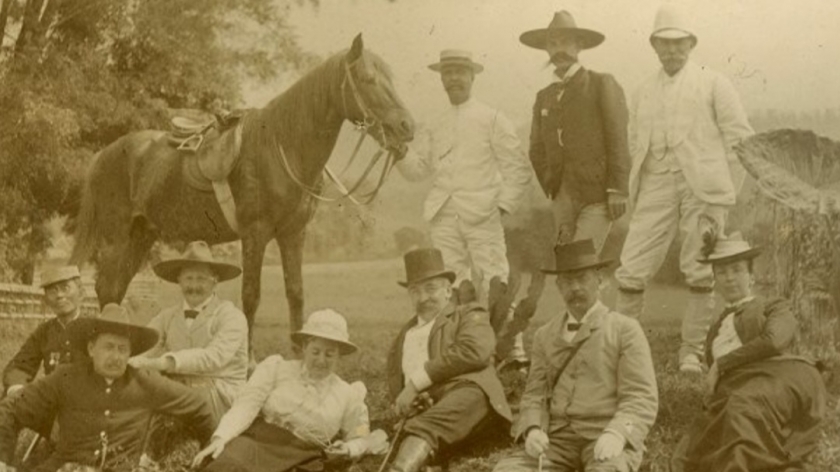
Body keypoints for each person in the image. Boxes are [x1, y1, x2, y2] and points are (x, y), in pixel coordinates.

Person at [613, 4, 754, 373]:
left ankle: (691, 351)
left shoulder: (714, 83)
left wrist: (724, 190)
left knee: (700, 267)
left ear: (692, 44)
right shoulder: (642, 90)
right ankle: (622, 348)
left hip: (704, 189)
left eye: (679, 43)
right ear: (654, 45)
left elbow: (741, 140)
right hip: (656, 182)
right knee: (632, 264)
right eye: (664, 43)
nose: (672, 50)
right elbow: (635, 142)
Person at [493, 239, 658, 472]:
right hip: (556, 440)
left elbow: (641, 396)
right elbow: (535, 394)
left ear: (600, 281)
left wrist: (618, 433)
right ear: (559, 286)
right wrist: (533, 429)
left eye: (582, 278)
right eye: (568, 281)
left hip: (606, 435)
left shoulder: (625, 329)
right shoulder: (544, 335)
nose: (575, 288)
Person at [670, 234, 827, 471]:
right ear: (715, 280)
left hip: (782, 375)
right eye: (722, 272)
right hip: (741, 387)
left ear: (751, 276)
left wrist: (722, 364)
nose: (729, 278)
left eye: (737, 270)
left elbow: (774, 341)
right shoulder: (715, 329)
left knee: (742, 408)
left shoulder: (774, 306)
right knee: (708, 435)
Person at [0, 304, 216, 472]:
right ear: (91, 348)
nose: (116, 356)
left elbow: (199, 406)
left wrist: (209, 448)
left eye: (123, 349)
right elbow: (10, 409)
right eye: (109, 347)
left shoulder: (145, 382)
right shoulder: (65, 377)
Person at [395, 49, 532, 300]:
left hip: (484, 213)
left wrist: (502, 206)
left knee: (494, 280)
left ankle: (503, 326)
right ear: (441, 79)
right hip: (443, 214)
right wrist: (399, 151)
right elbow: (418, 170)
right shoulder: (435, 122)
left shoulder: (492, 118)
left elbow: (518, 169)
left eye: (460, 72)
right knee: (451, 283)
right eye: (448, 73)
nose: (454, 78)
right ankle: (460, 325)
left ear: (472, 76)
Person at [192, 309, 386, 472]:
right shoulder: (276, 369)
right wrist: (221, 437)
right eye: (315, 352)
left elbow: (361, 432)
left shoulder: (348, 394)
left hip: (303, 458)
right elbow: (246, 405)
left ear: (339, 355)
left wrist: (350, 447)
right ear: (304, 347)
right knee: (227, 467)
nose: (321, 361)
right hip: (258, 443)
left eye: (329, 354)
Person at [383, 248, 512, 472]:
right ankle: (417, 455)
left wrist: (415, 384)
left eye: (430, 288)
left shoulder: (468, 314)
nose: (423, 298)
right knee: (419, 424)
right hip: (426, 411)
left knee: (471, 396)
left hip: (464, 400)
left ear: (448, 290)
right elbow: (398, 389)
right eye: (415, 291)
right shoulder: (403, 337)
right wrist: (405, 404)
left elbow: (474, 351)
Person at [519, 10, 630, 250]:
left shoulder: (601, 84)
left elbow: (618, 138)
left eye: (566, 42)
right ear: (546, 49)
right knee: (567, 262)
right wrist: (552, 185)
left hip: (597, 194)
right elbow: (536, 149)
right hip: (562, 198)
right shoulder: (544, 97)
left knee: (581, 259)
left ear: (579, 45)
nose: (559, 50)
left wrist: (617, 189)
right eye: (553, 44)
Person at [129, 240, 248, 422]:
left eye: (201, 279)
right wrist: (129, 359)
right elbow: (145, 344)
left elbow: (213, 357)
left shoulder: (231, 316)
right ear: (179, 280)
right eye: (188, 279)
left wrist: (165, 362)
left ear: (215, 281)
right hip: (179, 390)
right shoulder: (167, 316)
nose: (194, 286)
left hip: (219, 395)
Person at [2, 266, 90, 398]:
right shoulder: (44, 332)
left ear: (81, 293)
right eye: (53, 291)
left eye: (65, 288)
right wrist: (17, 388)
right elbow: (20, 365)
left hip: (88, 402)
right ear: (46, 300)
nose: (59, 295)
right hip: (53, 401)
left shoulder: (96, 329)